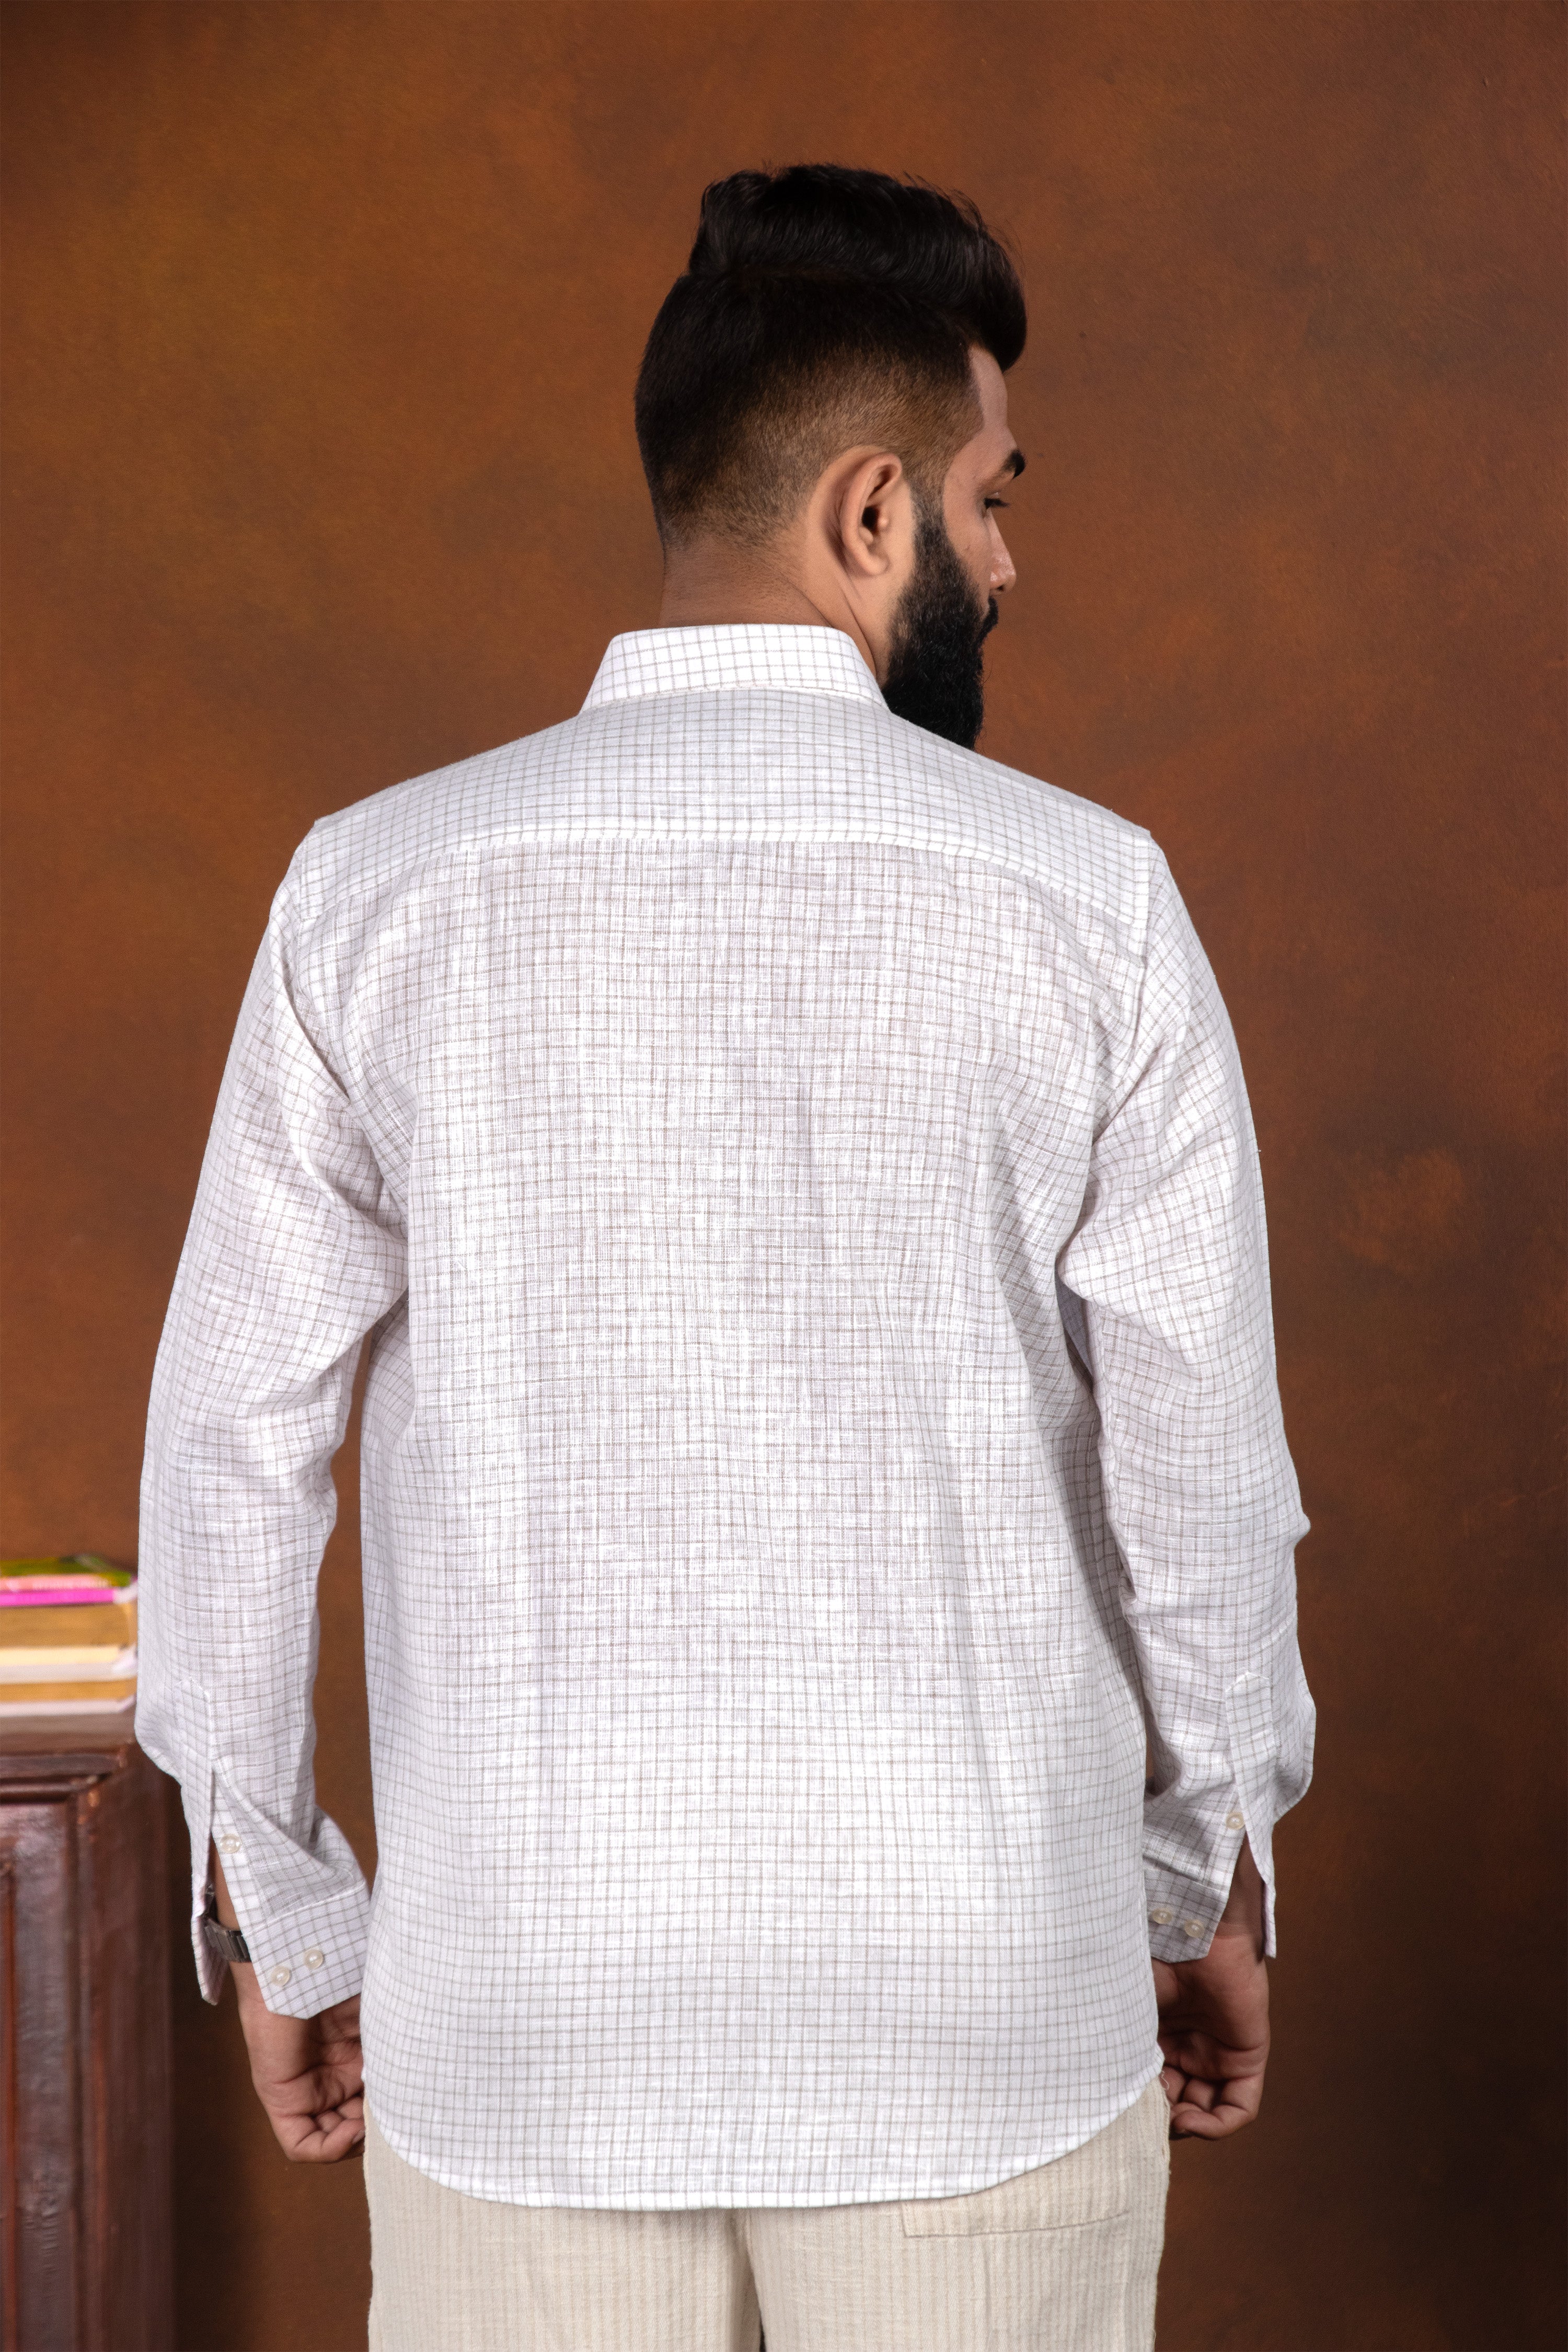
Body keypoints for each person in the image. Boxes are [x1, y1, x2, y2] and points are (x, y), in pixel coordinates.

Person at [136, 163, 1314, 2352]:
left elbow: (232, 1443)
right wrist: (1211, 1873)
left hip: (522, 2029)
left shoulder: (373, 894)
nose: (1007, 558)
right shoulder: (1093, 906)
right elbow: (1203, 1482)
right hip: (981, 2016)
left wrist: (278, 1910)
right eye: (991, 496)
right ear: (871, 513)